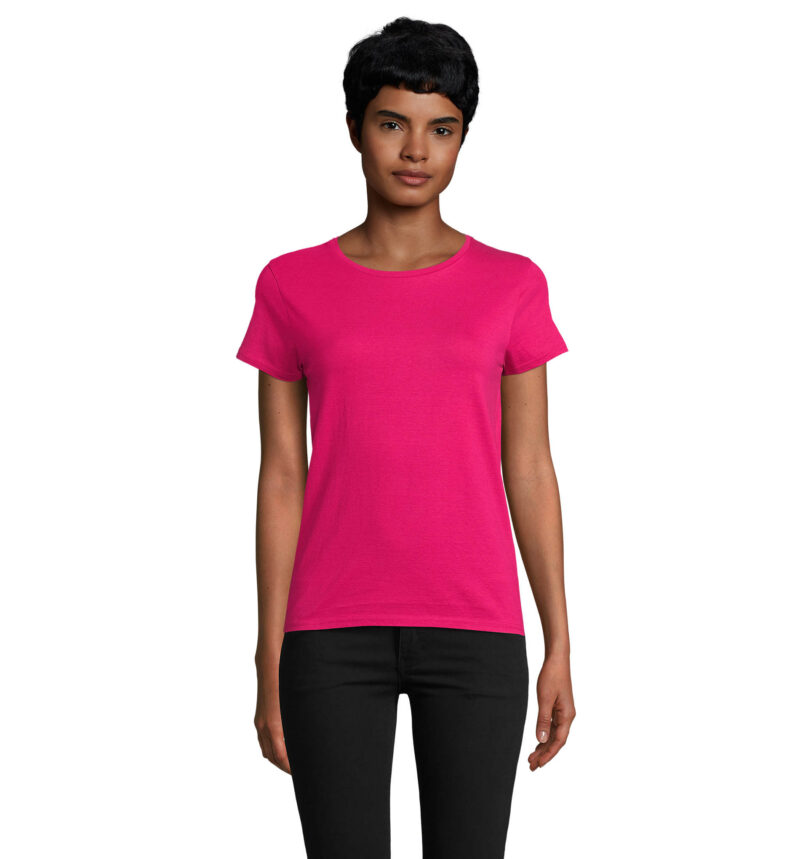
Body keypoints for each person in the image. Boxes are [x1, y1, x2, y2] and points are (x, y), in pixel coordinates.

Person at [236, 16, 576, 859]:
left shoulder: (512, 283)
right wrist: (267, 650)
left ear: (463, 138)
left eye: (441, 129)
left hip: (477, 627)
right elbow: (281, 475)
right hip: (327, 632)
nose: (416, 150)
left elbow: (530, 466)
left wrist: (559, 638)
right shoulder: (290, 284)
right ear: (355, 128)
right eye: (392, 123)